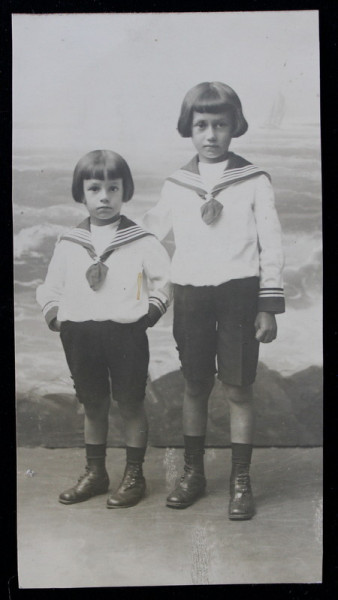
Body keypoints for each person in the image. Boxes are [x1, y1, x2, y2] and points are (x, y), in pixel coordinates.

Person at [143, 82, 285, 519]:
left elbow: (272, 244)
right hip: (190, 295)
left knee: (239, 388)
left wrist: (268, 303)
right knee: (195, 385)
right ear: (189, 128)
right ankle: (193, 473)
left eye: (220, 125)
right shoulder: (177, 183)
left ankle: (240, 480)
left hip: (240, 295)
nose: (210, 135)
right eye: (201, 125)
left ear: (234, 127)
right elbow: (150, 235)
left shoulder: (254, 180)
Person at [36, 149, 172, 508]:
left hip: (125, 333)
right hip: (80, 335)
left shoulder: (141, 240)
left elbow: (164, 281)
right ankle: (96, 473)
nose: (104, 197)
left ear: (125, 192)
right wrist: (56, 316)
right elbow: (49, 287)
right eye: (95, 189)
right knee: (93, 404)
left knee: (129, 403)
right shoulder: (70, 242)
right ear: (81, 194)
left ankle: (134, 474)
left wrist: (149, 313)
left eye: (113, 188)